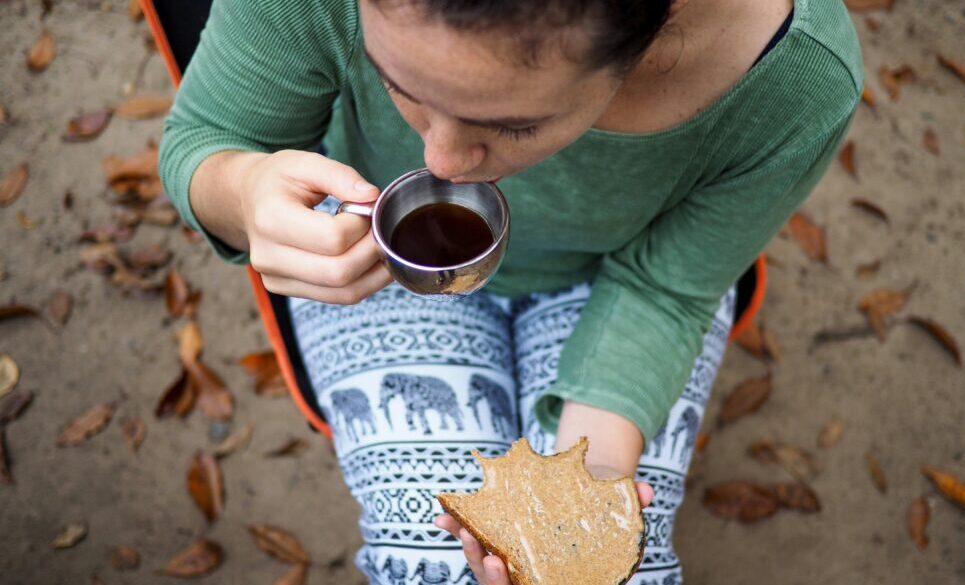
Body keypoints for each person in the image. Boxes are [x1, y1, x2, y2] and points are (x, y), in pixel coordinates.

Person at [159, 0, 862, 582]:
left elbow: (666, 288)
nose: (440, 160)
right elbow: (211, 136)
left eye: (512, 124)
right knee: (432, 562)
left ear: (655, 33)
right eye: (397, 81)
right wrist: (242, 192)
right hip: (381, 266)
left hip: (621, 280)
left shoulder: (794, 81)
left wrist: (594, 478)